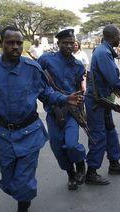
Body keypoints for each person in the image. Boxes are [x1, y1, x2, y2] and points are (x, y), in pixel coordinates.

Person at [0, 26, 83, 212]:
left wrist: (65, 99)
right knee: (8, 182)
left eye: (18, 43)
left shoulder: (32, 68)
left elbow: (46, 93)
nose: (15, 47)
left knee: (24, 182)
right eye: (10, 43)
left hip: (29, 133)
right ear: (1, 44)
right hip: (3, 135)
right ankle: (23, 199)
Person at [84, 24, 120, 185]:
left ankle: (114, 163)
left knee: (110, 132)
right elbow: (113, 79)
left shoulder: (104, 51)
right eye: (118, 37)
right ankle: (91, 172)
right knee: (98, 135)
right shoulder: (103, 52)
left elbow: (105, 78)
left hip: (103, 99)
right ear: (113, 36)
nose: (119, 40)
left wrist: (113, 88)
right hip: (96, 101)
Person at [38, 29, 87, 190]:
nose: (68, 46)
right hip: (53, 112)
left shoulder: (78, 65)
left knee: (72, 145)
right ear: (58, 44)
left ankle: (80, 163)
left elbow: (80, 88)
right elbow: (39, 86)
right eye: (64, 43)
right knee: (57, 147)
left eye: (71, 43)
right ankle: (70, 173)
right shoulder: (45, 60)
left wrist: (81, 107)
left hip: (71, 113)